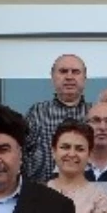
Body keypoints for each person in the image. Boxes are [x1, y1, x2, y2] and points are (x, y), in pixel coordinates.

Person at [24, 53, 88, 182]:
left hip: (85, 193)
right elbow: (22, 152)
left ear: (84, 78)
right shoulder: (38, 112)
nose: (69, 77)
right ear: (53, 77)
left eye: (75, 72)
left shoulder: (93, 114)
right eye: (63, 71)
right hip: (42, 192)